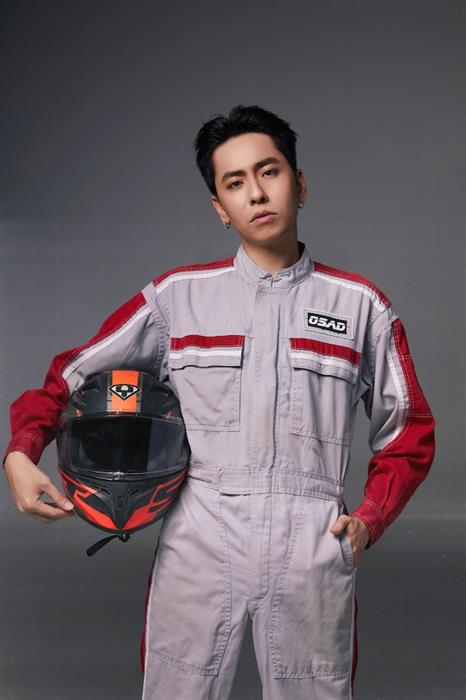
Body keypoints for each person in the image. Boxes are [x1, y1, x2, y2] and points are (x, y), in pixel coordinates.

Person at [3, 104, 436, 700]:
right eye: (235, 183)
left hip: (312, 541)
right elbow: (67, 379)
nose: (256, 193)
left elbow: (408, 431)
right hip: (200, 538)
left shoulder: (361, 306)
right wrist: (20, 452)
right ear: (220, 208)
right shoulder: (176, 300)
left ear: (300, 183)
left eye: (270, 172)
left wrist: (369, 519)